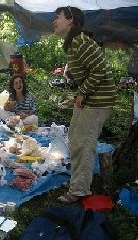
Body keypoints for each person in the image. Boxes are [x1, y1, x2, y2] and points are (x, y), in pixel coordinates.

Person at [53, 6, 117, 203]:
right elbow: (88, 71)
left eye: (58, 18)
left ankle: (80, 190)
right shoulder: (73, 43)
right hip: (89, 98)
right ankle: (77, 180)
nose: (54, 22)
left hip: (99, 100)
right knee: (73, 138)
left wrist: (82, 92)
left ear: (70, 20)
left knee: (84, 142)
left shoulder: (81, 41)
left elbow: (99, 70)